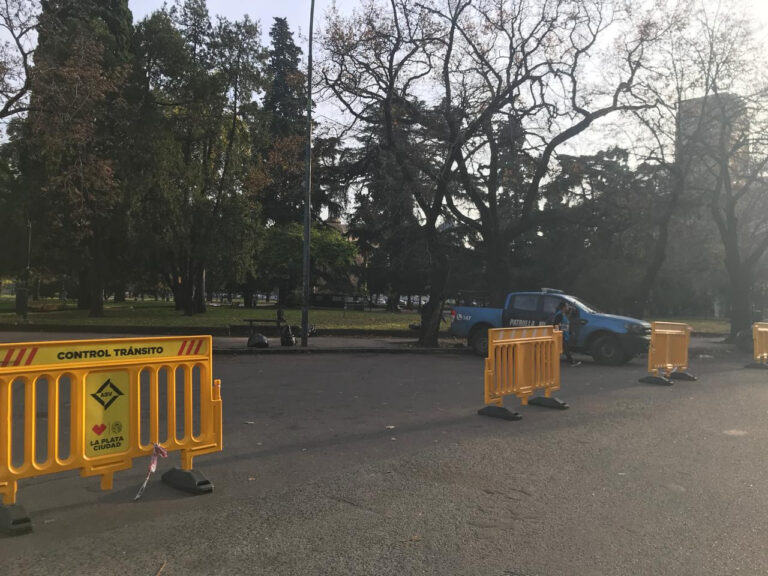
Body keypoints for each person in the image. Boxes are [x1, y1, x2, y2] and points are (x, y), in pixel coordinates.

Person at [553, 301, 581, 366]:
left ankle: (553, 362)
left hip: (563, 335)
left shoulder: (563, 314)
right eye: (567, 306)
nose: (568, 307)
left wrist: (570, 332)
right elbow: (556, 325)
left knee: (562, 350)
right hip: (561, 335)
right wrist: (558, 334)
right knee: (566, 349)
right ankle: (572, 362)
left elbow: (565, 324)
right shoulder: (559, 315)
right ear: (564, 307)